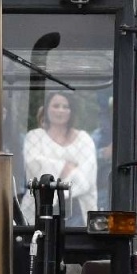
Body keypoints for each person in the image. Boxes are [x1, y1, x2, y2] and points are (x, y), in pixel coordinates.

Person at [20, 91, 97, 226]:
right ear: (47, 109)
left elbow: (86, 180)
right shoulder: (34, 137)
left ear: (71, 111)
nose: (60, 110)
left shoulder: (84, 139)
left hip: (77, 213)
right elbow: (33, 169)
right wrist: (65, 167)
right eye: (56, 106)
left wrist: (51, 172)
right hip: (36, 210)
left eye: (65, 106)